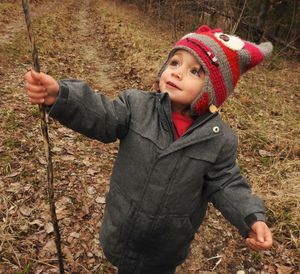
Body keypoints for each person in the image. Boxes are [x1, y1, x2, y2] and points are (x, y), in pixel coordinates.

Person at [24, 25, 273, 274]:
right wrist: (62, 96)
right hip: (123, 225)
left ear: (214, 90)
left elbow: (227, 183)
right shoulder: (136, 105)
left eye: (195, 71)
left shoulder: (219, 139)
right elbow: (103, 115)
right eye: (174, 62)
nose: (177, 73)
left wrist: (251, 217)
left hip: (166, 245)